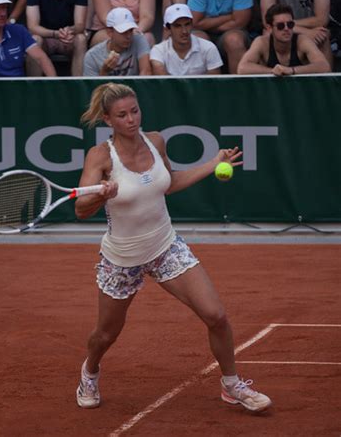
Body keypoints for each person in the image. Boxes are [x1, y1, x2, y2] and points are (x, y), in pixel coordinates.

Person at [74, 82, 272, 413]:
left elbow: (169, 182)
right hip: (121, 258)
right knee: (105, 335)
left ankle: (231, 384)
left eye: (134, 111)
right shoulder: (100, 157)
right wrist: (100, 195)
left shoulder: (155, 141)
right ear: (108, 119)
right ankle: (89, 371)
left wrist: (213, 163)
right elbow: (81, 210)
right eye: (122, 115)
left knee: (216, 315)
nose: (131, 120)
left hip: (166, 246)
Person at [260, 0, 333, 66]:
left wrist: (288, 25)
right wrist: (303, 31)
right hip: (286, 28)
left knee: (322, 36)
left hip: (310, 27)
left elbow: (322, 19)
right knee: (268, 34)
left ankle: (327, 80)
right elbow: (267, 20)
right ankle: (269, 78)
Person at [187, 0, 253, 74]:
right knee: (198, 39)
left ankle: (240, 89)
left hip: (232, 31)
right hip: (203, 32)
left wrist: (208, 23)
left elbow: (241, 22)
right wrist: (230, 16)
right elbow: (194, 23)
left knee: (234, 40)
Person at [26, 0, 88, 76]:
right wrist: (55, 34)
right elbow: (32, 27)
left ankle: (79, 86)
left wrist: (69, 30)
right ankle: (33, 89)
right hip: (45, 37)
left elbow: (80, 24)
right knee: (35, 40)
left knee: (81, 39)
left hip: (68, 36)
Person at [237, 3, 331, 74]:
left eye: (290, 24)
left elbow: (324, 66)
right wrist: (273, 71)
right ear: (269, 28)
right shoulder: (262, 42)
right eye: (280, 26)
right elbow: (242, 68)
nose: (286, 29)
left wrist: (292, 70)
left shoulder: (302, 41)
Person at [150, 3, 223, 75]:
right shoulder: (158, 51)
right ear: (167, 29)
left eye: (187, 24)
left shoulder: (209, 48)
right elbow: (163, 84)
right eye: (177, 26)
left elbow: (214, 84)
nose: (184, 31)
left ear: (192, 25)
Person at [83, 7, 151, 76]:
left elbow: (146, 72)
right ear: (110, 32)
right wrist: (104, 72)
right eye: (123, 32)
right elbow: (92, 86)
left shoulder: (138, 39)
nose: (128, 36)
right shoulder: (92, 56)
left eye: (130, 30)